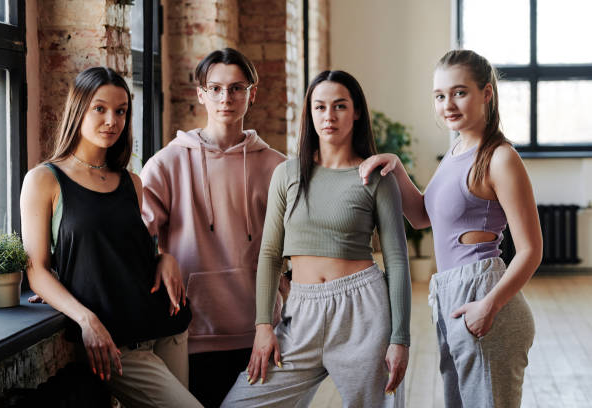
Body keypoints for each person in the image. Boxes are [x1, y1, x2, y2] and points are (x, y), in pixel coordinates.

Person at [359, 49, 541, 407]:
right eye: (440, 96)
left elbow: (531, 251)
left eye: (459, 92)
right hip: (449, 295)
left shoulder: (500, 158)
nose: (448, 105)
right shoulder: (456, 151)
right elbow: (423, 217)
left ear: (486, 93)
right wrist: (396, 166)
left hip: (484, 293)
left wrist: (489, 306)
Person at [222, 70, 411, 408]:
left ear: (356, 112)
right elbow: (269, 255)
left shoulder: (376, 177)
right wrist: (264, 325)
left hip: (363, 312)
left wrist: (400, 339)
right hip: (300, 312)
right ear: (309, 113)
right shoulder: (287, 174)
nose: (329, 116)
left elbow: (397, 261)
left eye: (339, 106)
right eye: (320, 107)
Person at [21, 66, 202, 408]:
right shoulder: (44, 180)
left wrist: (164, 257)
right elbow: (37, 270)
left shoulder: (131, 181)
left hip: (168, 327)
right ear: (79, 109)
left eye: (121, 111)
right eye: (100, 109)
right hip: (116, 344)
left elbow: (132, 251)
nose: (112, 121)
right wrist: (86, 319)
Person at [140, 48, 286, 407]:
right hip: (191, 331)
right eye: (216, 88)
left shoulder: (277, 167)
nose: (226, 98)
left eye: (237, 88)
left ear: (252, 93)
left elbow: (298, 247)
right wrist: (158, 255)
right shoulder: (166, 163)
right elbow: (134, 236)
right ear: (200, 94)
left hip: (261, 330)